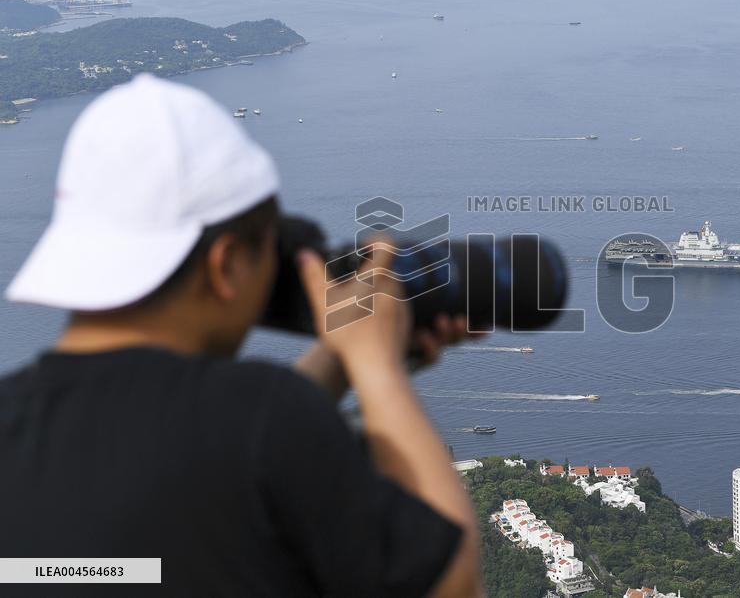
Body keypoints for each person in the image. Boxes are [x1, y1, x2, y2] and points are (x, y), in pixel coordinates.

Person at [0, 74, 484, 597]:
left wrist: (344, 353)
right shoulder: (261, 418)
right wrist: (378, 369)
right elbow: (449, 584)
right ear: (226, 264)